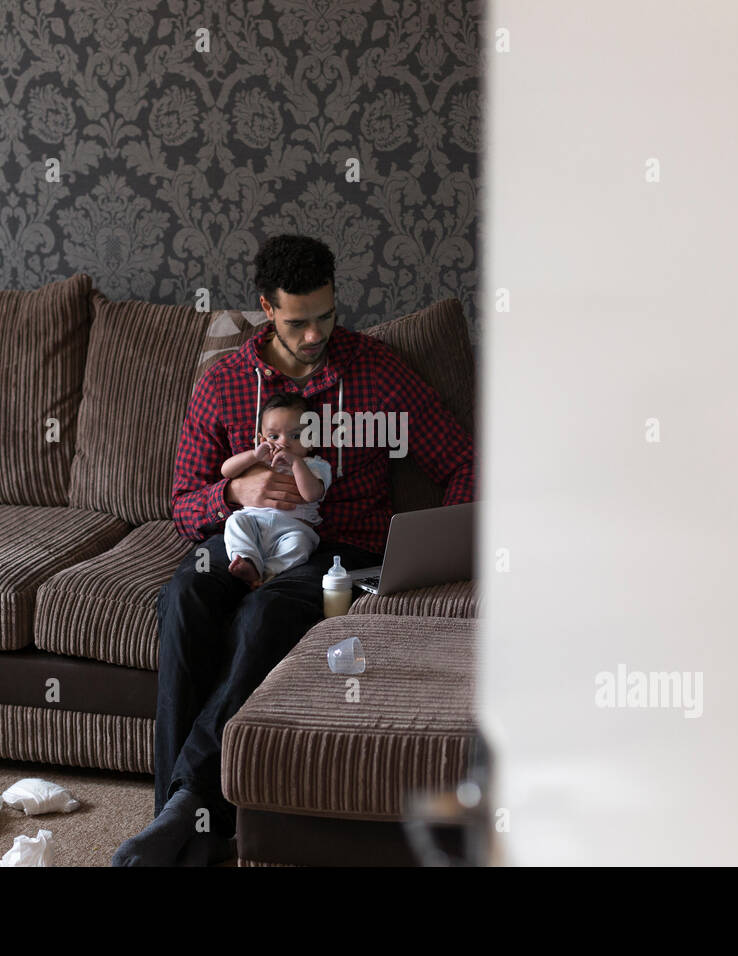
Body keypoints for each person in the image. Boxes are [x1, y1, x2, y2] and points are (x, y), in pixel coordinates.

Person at [112, 234, 475, 866]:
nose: (315, 336)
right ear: (266, 308)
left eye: (327, 316)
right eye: (298, 321)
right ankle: (177, 817)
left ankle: (185, 812)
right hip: (238, 537)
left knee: (264, 615)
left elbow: (462, 460)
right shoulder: (223, 384)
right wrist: (231, 492)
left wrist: (437, 544)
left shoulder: (377, 371)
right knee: (185, 596)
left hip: (333, 549)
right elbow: (181, 503)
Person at [221, 392, 332, 587]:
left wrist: (296, 463)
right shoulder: (259, 460)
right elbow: (226, 471)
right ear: (261, 439)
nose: (284, 442)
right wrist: (254, 455)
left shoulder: (316, 466)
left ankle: (268, 572)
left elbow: (312, 494)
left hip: (293, 529)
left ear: (312, 440)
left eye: (295, 436)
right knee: (234, 521)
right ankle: (248, 560)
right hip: (254, 523)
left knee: (300, 546)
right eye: (274, 436)